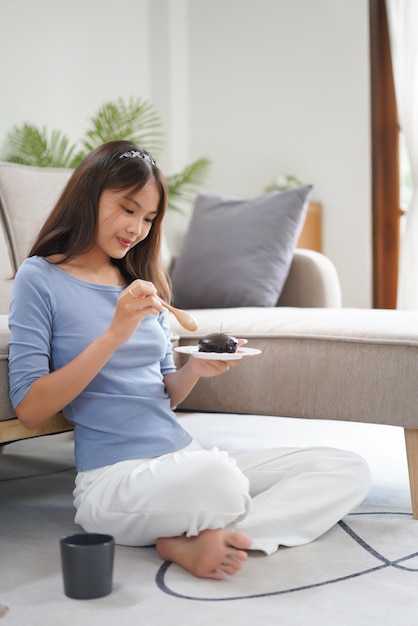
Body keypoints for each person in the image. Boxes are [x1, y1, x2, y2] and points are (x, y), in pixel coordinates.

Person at [8, 140, 371, 581]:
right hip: (113, 481)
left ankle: (211, 537)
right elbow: (29, 409)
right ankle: (211, 523)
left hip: (184, 458)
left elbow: (165, 396)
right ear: (89, 194)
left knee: (343, 467)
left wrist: (195, 369)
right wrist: (114, 334)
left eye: (148, 218)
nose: (137, 228)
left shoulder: (143, 283)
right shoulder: (41, 278)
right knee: (221, 479)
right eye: (127, 209)